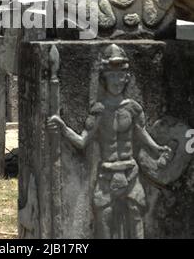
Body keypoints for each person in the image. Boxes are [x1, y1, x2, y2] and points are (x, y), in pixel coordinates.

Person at [48, 44, 171, 239]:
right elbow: (82, 142)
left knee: (136, 221)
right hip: (106, 177)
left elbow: (142, 134)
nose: (117, 80)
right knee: (103, 223)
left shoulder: (133, 109)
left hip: (131, 174)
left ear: (127, 77)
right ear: (104, 78)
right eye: (112, 76)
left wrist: (158, 149)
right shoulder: (99, 111)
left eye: (120, 75)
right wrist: (63, 128)